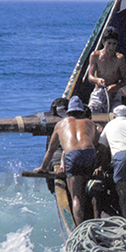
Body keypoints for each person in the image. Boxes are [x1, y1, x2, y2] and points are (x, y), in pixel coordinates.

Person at [34, 96, 98, 226]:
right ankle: (95, 213)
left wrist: (43, 168)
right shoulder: (90, 123)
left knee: (76, 197)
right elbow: (96, 146)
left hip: (73, 156)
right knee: (90, 187)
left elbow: (51, 151)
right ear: (82, 112)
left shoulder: (60, 125)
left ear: (68, 112)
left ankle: (80, 228)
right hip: (90, 154)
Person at [87, 26, 126, 114]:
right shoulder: (95, 56)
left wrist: (116, 86)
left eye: (114, 44)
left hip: (113, 93)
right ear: (103, 43)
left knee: (117, 112)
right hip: (99, 92)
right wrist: (97, 80)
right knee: (93, 110)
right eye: (109, 43)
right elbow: (90, 77)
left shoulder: (119, 59)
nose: (111, 47)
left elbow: (125, 80)